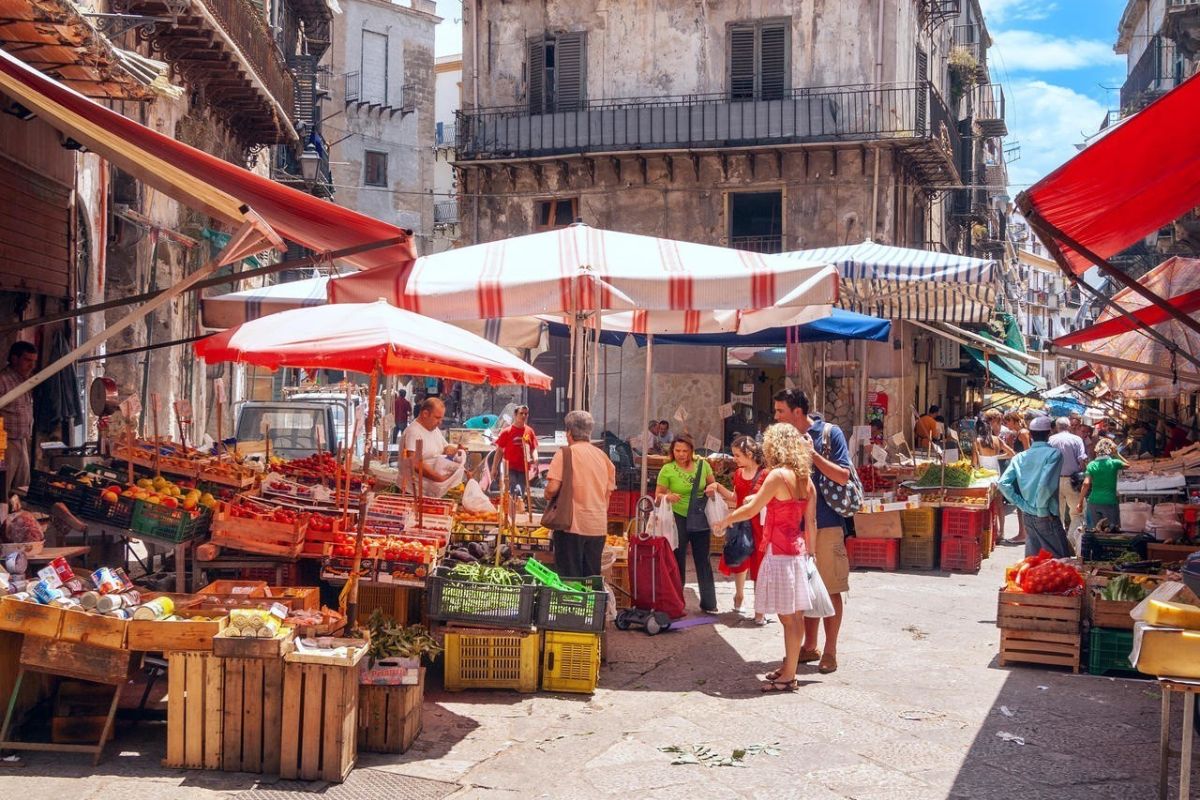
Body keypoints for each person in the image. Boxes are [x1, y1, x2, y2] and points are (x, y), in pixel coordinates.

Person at [712, 424, 818, 692]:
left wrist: (726, 520)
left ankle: (788, 676)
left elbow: (751, 508)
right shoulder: (805, 479)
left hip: (779, 553)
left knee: (787, 617)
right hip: (798, 551)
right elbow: (811, 523)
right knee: (795, 616)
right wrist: (811, 556)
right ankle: (790, 670)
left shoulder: (777, 476)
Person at [773, 389, 851, 675]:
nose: (776, 416)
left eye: (780, 411)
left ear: (797, 412)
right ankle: (809, 646)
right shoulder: (783, 439)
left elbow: (843, 475)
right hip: (794, 527)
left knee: (830, 589)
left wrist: (812, 454)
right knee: (803, 591)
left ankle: (830, 650)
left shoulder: (830, 434)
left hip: (827, 524)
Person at [545, 410, 615, 579]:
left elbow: (552, 488)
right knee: (590, 579)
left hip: (571, 526)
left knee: (570, 579)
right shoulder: (603, 457)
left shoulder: (565, 454)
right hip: (597, 526)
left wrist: (547, 494)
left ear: (568, 432)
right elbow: (607, 496)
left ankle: (572, 606)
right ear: (589, 432)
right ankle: (591, 606)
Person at [706, 435, 768, 624]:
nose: (735, 459)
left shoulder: (766, 474)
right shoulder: (738, 474)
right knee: (739, 559)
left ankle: (760, 610)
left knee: (760, 565)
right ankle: (739, 595)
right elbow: (734, 497)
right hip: (741, 521)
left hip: (760, 523)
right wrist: (717, 487)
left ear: (749, 454)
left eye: (737, 455)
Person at [655, 433, 718, 614]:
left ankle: (709, 603)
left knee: (703, 559)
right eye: (677, 450)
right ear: (672, 451)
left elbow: (713, 485)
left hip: (699, 517)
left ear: (691, 450)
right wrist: (668, 496)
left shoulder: (703, 465)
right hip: (677, 518)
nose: (681, 454)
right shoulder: (667, 469)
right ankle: (676, 603)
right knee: (677, 559)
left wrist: (710, 490)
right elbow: (658, 495)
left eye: (684, 450)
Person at [997, 414, 1071, 558]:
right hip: (1045, 515)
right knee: (1059, 563)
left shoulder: (1019, 457)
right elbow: (1045, 486)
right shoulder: (1053, 454)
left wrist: (1023, 505)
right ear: (1049, 433)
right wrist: (1041, 509)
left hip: (1029, 515)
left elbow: (1003, 484)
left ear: (1030, 434)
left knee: (1033, 563)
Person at [399, 397, 464, 498]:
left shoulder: (434, 429)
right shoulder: (413, 432)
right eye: (437, 418)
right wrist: (440, 478)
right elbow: (415, 463)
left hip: (430, 491)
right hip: (414, 493)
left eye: (441, 418)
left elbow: (445, 448)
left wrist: (456, 450)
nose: (440, 422)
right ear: (425, 414)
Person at [0, 341, 35, 498]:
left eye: (33, 361)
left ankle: (17, 521)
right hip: (5, 442)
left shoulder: (24, 380)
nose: (31, 365)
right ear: (14, 359)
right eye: (27, 360)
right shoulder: (3, 380)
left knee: (21, 488)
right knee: (3, 488)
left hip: (21, 440)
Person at [1049, 416, 1088, 543]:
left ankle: (1059, 542)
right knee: (1078, 513)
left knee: (1057, 513)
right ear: (1069, 426)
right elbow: (1082, 461)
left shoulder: (1050, 440)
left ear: (1056, 427)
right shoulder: (1077, 440)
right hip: (1073, 481)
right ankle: (1071, 540)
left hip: (1054, 481)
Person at [1075, 438, 1129, 531]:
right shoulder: (1114, 463)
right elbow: (1128, 465)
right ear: (1111, 450)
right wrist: (1117, 454)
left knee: (1094, 531)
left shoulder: (1092, 465)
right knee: (1111, 531)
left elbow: (1086, 483)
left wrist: (1080, 502)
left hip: (1094, 502)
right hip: (1110, 501)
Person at [491, 405, 537, 503]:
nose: (524, 416)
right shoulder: (506, 432)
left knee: (521, 491)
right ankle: (514, 511)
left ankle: (517, 512)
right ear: (515, 415)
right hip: (510, 468)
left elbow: (533, 448)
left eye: (526, 414)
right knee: (515, 489)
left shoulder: (530, 431)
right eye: (521, 413)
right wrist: (494, 468)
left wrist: (536, 460)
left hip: (524, 468)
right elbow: (499, 451)